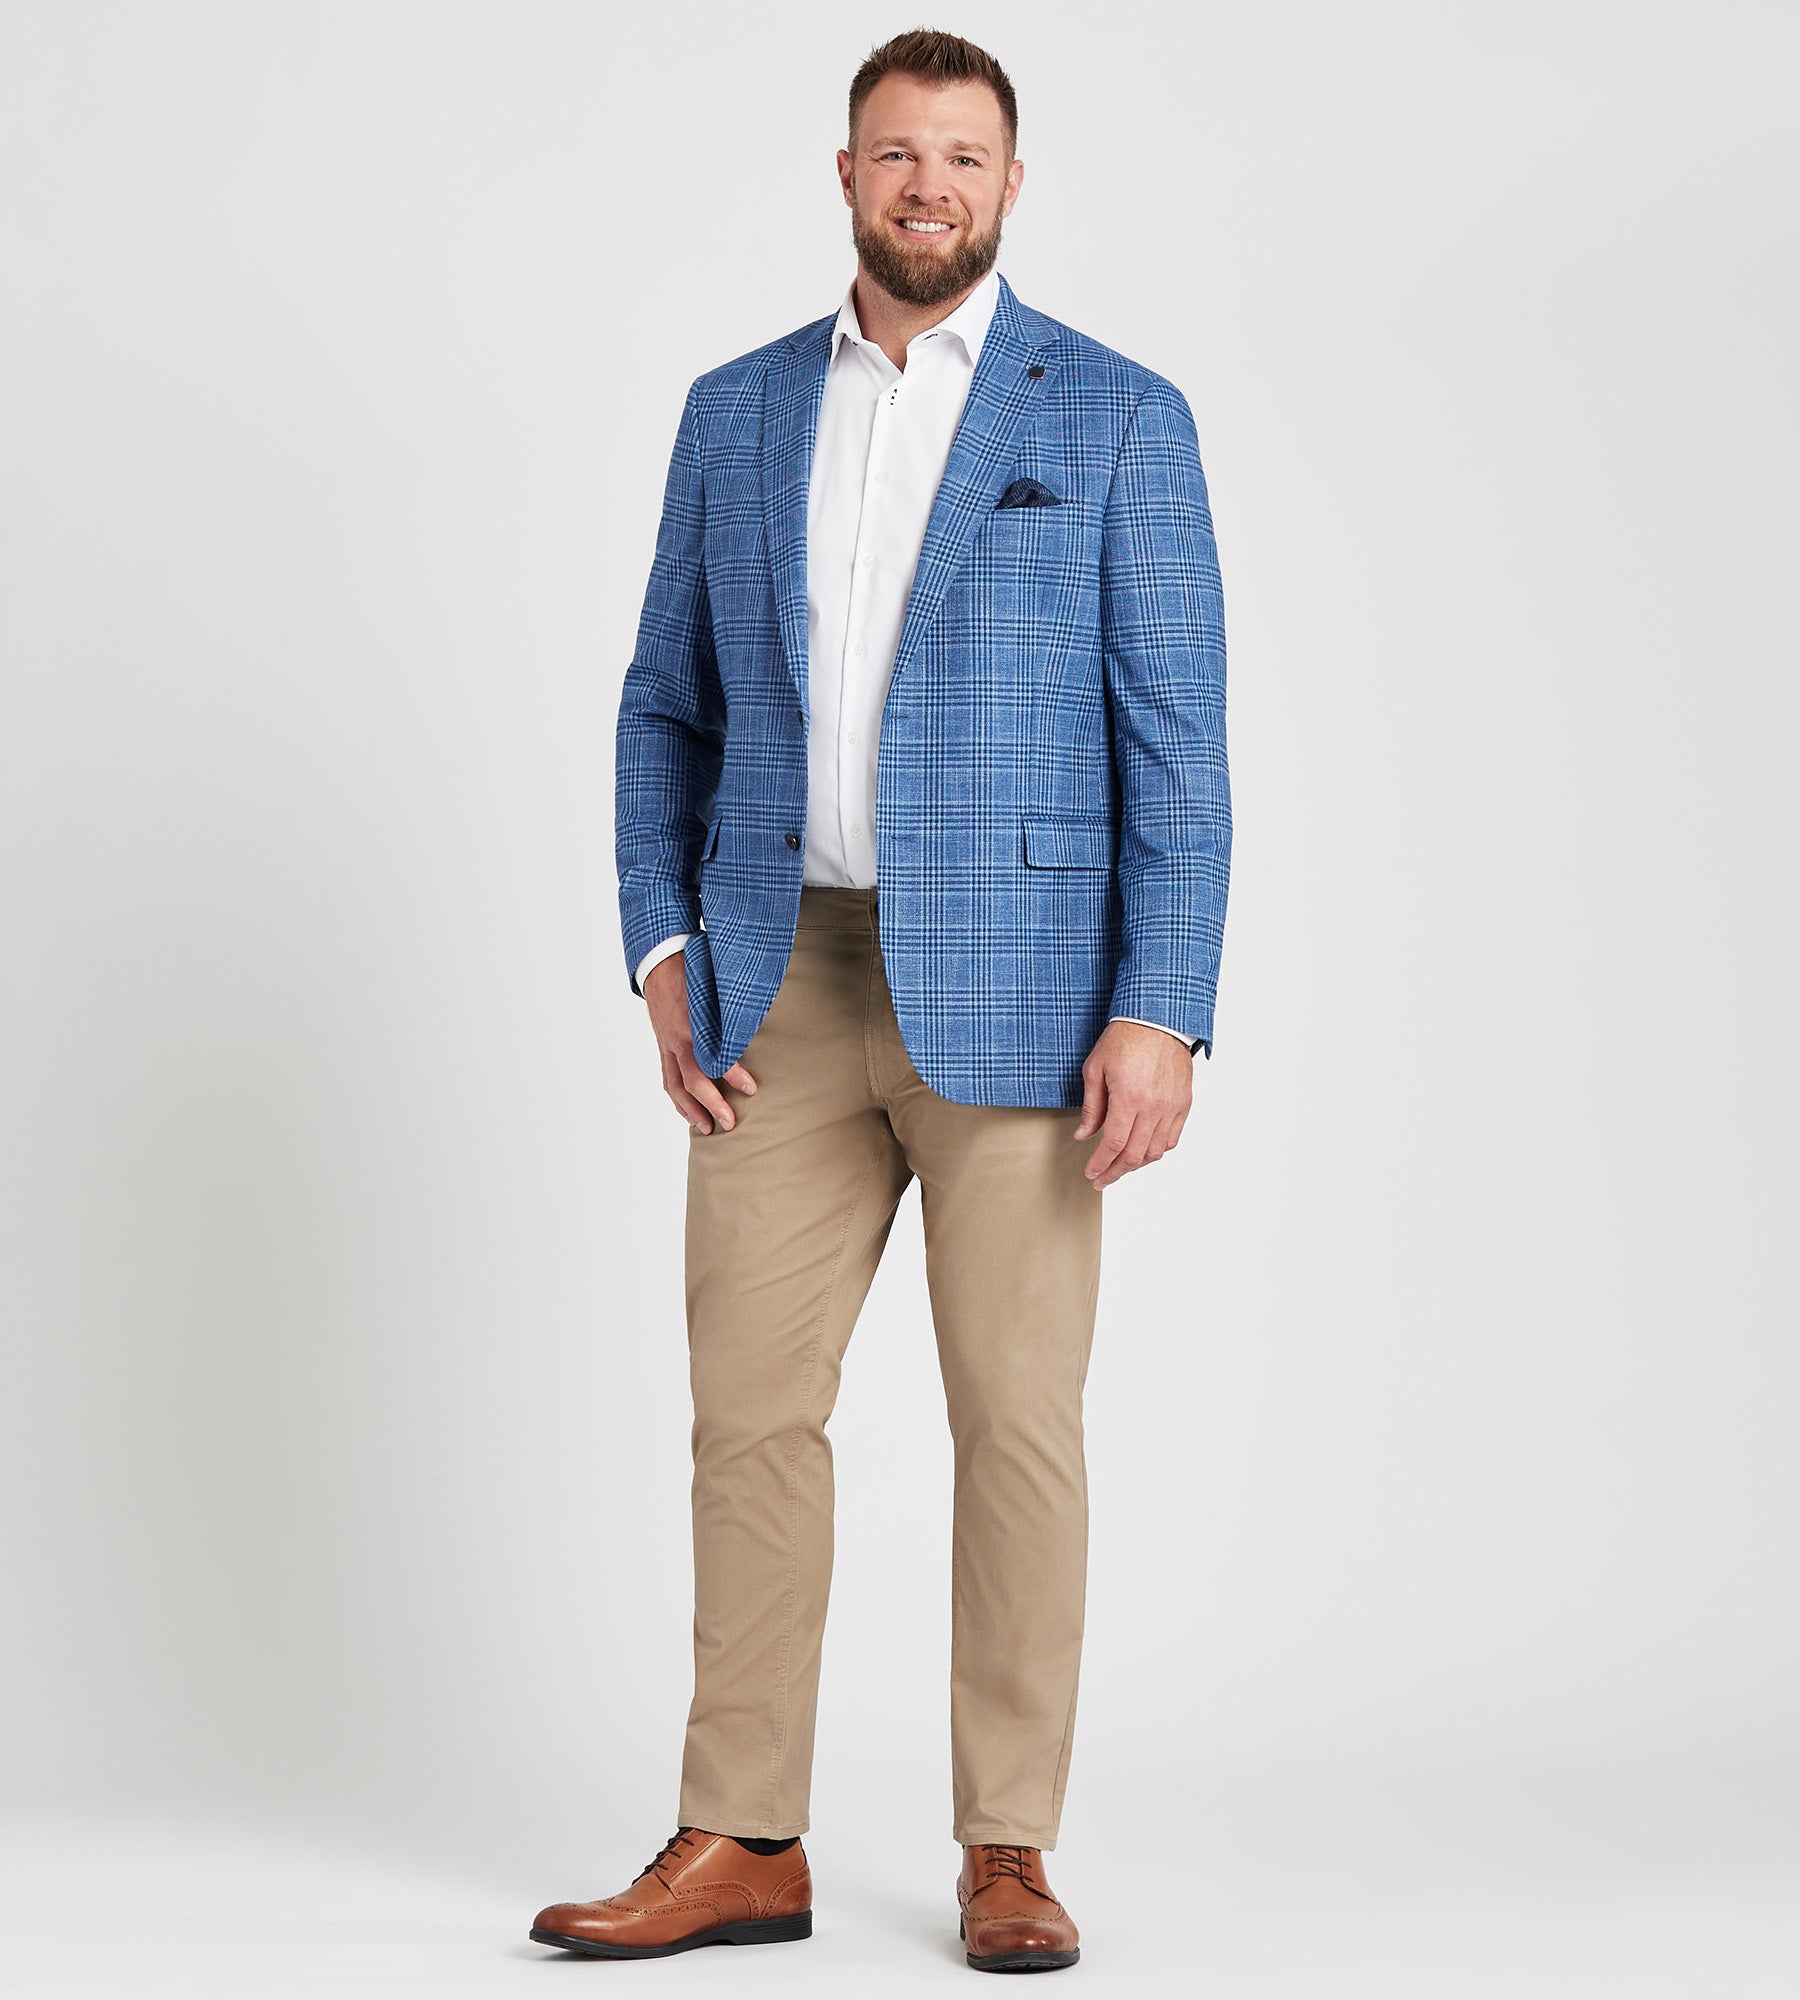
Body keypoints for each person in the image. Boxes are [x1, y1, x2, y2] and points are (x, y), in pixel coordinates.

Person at [530, 26, 1230, 1974]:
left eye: (964, 157)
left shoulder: (1116, 416)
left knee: (1017, 1426)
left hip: (1025, 998)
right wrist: (661, 947)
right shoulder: (737, 411)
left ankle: (1009, 1846)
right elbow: (663, 704)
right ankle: (742, 1834)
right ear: (845, 174)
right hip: (780, 983)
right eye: (898, 153)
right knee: (749, 1420)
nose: (930, 185)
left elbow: (1180, 745)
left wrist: (1164, 1002)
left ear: (1011, 184)